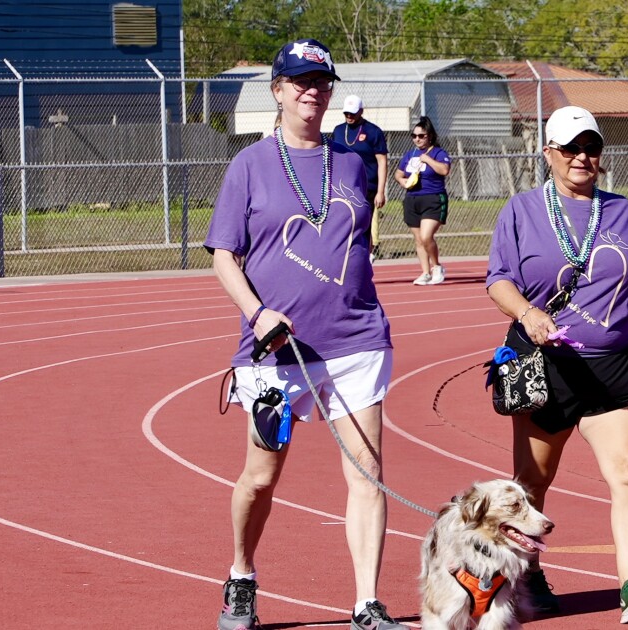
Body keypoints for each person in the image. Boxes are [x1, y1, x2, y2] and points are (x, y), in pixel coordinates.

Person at [204, 39, 406, 630]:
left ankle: (366, 602)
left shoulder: (353, 162)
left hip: (355, 340)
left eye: (321, 81)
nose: (312, 91)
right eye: (299, 81)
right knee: (261, 476)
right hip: (274, 352)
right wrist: (257, 313)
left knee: (368, 473)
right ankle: (242, 574)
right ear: (278, 90)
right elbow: (223, 254)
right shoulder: (249, 164)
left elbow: (354, 243)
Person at [485, 105, 628, 625]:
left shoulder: (621, 212)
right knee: (532, 482)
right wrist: (526, 313)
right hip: (545, 366)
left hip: (615, 365)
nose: (582, 157)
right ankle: (525, 572)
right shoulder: (522, 210)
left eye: (591, 147)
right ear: (548, 152)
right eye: (570, 148)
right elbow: (498, 280)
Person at [395, 116, 451, 285]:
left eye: (421, 136)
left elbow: (444, 170)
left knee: (427, 236)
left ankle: (437, 266)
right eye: (414, 136)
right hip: (412, 199)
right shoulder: (410, 154)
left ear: (430, 136)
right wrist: (402, 180)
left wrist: (428, 160)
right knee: (419, 239)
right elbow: (398, 173)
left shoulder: (438, 153)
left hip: (433, 198)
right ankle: (425, 272)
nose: (417, 139)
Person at [333, 95, 389, 259]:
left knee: (363, 223)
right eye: (346, 114)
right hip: (343, 186)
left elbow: (382, 162)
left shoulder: (373, 131)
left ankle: (366, 255)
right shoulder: (338, 130)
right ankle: (347, 255)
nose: (349, 117)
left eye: (353, 113)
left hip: (367, 186)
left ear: (361, 112)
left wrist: (380, 191)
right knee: (343, 223)